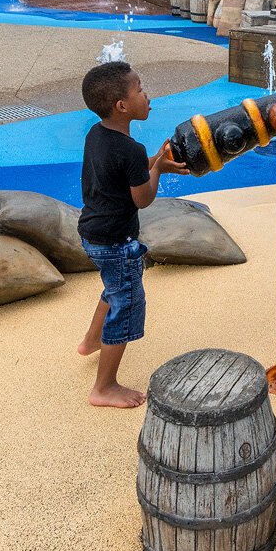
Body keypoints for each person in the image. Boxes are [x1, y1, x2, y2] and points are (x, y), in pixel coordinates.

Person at [75, 60, 187, 408]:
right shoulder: (132, 151)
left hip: (93, 232)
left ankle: (90, 342)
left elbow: (125, 173)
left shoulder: (97, 134)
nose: (146, 94)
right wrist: (156, 171)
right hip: (116, 242)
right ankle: (104, 387)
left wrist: (154, 162)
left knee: (113, 288)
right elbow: (143, 197)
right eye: (140, 89)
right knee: (125, 304)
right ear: (122, 106)